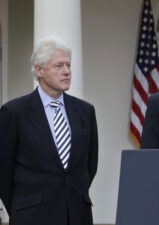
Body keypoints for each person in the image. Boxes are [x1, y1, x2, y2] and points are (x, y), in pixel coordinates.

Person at [0, 36, 98, 225]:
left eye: (68, 65)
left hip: (77, 216)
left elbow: (89, 165)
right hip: (31, 217)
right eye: (58, 66)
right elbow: (3, 170)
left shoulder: (85, 111)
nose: (67, 71)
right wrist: (22, 208)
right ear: (39, 70)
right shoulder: (14, 112)